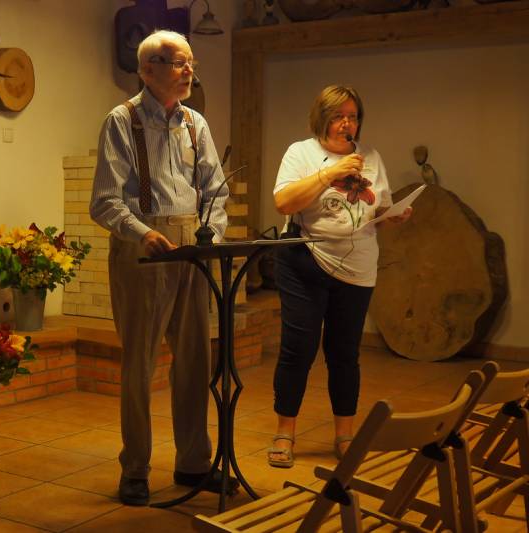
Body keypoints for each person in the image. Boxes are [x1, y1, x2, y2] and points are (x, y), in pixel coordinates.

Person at [89, 30, 234, 505]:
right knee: (140, 364)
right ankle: (135, 469)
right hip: (143, 249)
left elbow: (215, 190)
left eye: (191, 63)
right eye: (178, 63)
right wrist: (141, 232)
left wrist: (211, 234)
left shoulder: (195, 123)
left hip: (193, 245)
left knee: (194, 361)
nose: (189, 70)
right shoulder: (122, 121)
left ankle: (194, 462)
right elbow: (105, 201)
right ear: (147, 70)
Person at [267, 85, 411, 469]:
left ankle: (345, 434)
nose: (347, 124)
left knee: (345, 353)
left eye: (353, 117)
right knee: (298, 349)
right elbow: (284, 202)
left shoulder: (371, 158)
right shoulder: (301, 153)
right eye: (338, 117)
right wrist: (330, 172)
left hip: (357, 266)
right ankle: (284, 432)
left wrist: (392, 216)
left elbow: (375, 211)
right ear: (322, 118)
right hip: (305, 261)